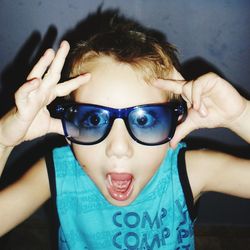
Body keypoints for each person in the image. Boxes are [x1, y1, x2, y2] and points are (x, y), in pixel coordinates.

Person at [0, 26, 249, 250]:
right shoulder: (55, 173)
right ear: (68, 129)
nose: (118, 149)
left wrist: (240, 116)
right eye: (93, 119)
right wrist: (3, 140)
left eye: (145, 120)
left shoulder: (190, 171)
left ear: (174, 123)